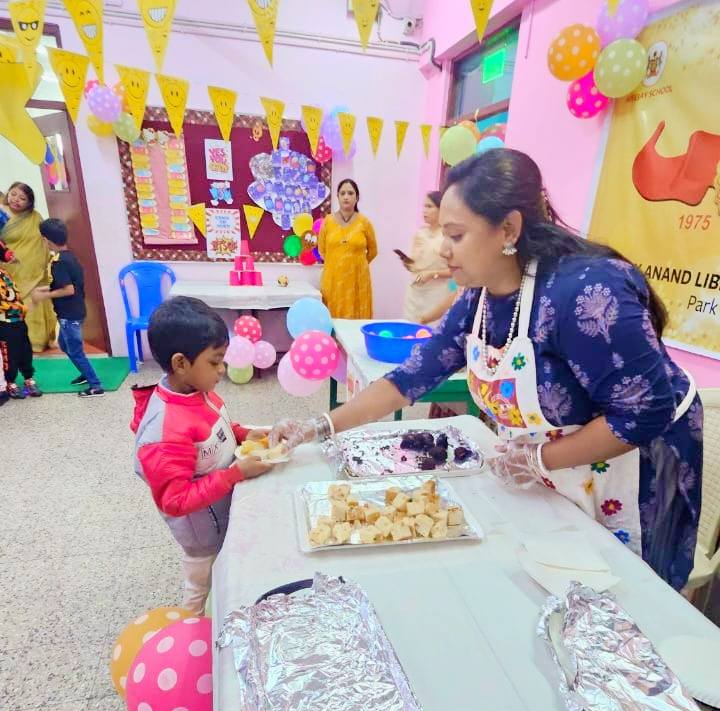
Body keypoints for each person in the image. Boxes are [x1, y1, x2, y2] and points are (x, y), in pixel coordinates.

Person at [270, 149, 703, 591]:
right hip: (565, 458)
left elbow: (643, 412)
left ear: (508, 230)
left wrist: (539, 459)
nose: (442, 248)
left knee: (632, 590)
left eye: (455, 235)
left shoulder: (586, 291)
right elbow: (407, 379)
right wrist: (319, 427)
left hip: (639, 456)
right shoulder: (479, 298)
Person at [133, 296, 270, 613]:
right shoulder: (165, 433)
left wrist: (242, 433)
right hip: (202, 534)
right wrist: (236, 474)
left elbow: (219, 424)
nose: (222, 369)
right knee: (201, 584)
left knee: (227, 570)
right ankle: (191, 635)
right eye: (215, 361)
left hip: (222, 509)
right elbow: (175, 501)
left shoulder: (197, 389)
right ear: (181, 363)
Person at [33, 219, 105, 396]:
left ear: (47, 240)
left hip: (69, 315)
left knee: (75, 350)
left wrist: (45, 295)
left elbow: (68, 289)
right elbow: (63, 284)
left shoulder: (60, 263)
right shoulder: (68, 256)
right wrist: (44, 289)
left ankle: (95, 385)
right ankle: (85, 374)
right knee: (65, 346)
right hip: (72, 311)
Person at [0, 183, 57, 352]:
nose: (16, 200)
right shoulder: (1, 212)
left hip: (32, 269)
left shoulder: (34, 217)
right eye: (14, 194)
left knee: (34, 302)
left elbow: (41, 243)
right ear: (8, 193)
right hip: (8, 268)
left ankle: (36, 341)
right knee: (10, 303)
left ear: (29, 202)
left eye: (22, 198)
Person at [318, 179, 378, 318]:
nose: (346, 197)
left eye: (350, 193)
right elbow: (322, 250)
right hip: (333, 279)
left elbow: (373, 251)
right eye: (342, 193)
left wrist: (356, 264)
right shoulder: (328, 222)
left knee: (356, 321)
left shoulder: (364, 222)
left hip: (357, 280)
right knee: (332, 320)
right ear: (337, 197)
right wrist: (338, 263)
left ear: (356, 198)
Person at [396, 190, 457, 324]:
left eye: (429, 207)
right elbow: (415, 265)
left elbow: (455, 272)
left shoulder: (448, 235)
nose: (424, 211)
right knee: (411, 329)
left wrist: (433, 274)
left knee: (432, 332)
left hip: (438, 293)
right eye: (424, 207)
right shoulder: (420, 233)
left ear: (441, 209)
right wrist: (408, 262)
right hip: (416, 292)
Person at [0, 242, 43, 398]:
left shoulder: (4, 273)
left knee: (25, 349)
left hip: (18, 319)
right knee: (9, 353)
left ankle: (28, 378)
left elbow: (5, 252)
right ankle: (10, 381)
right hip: (4, 322)